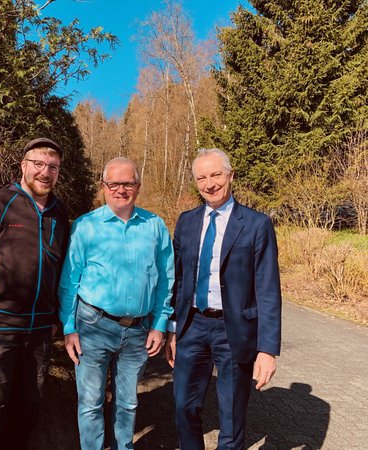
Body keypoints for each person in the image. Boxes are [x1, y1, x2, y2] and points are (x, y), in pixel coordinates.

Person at [165, 148, 282, 450]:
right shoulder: (186, 222)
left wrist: (267, 349)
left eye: (216, 174)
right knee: (183, 407)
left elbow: (268, 289)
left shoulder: (257, 225)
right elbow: (178, 280)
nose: (209, 183)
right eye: (201, 177)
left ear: (230, 175)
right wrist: (173, 328)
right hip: (192, 326)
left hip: (234, 331)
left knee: (231, 418)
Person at [59, 157, 175, 450]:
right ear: (104, 186)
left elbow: (166, 280)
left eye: (128, 183)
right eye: (114, 183)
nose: (121, 189)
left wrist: (160, 324)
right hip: (92, 327)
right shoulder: (86, 226)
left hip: (138, 331)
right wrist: (69, 327)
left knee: (128, 402)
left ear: (138, 186)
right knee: (90, 402)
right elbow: (69, 281)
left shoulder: (155, 226)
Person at [0, 137, 69, 450]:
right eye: (38, 164)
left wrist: (53, 320)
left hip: (38, 336)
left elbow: (59, 271)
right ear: (24, 166)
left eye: (53, 167)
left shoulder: (60, 214)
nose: (45, 172)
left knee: (27, 413)